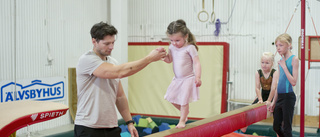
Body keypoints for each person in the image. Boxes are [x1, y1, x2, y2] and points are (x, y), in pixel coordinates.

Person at [74, 21, 166, 137]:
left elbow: (120, 96)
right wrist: (149, 59)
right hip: (88, 127)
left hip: (111, 126)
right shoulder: (87, 60)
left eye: (113, 42)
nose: (111, 47)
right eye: (107, 43)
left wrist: (129, 122)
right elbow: (119, 72)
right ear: (94, 41)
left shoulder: (113, 62)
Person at [162, 19, 202, 128]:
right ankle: (184, 112)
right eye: (171, 40)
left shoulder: (190, 48)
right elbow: (169, 60)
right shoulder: (171, 47)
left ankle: (182, 121)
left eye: (177, 40)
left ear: (185, 36)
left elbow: (197, 63)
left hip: (188, 79)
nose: (174, 43)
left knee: (184, 101)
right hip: (177, 79)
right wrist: (163, 57)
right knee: (169, 97)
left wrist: (198, 77)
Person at [268, 33, 299, 137]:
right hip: (280, 97)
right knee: (276, 127)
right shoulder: (281, 61)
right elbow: (279, 83)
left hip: (288, 97)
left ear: (289, 45)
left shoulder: (294, 59)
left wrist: (285, 67)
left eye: (281, 45)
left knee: (287, 128)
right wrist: (273, 102)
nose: (278, 48)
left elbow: (294, 82)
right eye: (276, 46)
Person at [240, 52, 278, 133]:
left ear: (272, 63)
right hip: (262, 94)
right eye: (262, 62)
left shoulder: (275, 72)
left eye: (267, 63)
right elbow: (257, 88)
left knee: (277, 116)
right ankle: (242, 131)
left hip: (273, 95)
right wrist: (260, 99)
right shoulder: (258, 72)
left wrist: (269, 101)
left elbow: (273, 88)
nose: (264, 65)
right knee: (249, 112)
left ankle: (279, 133)